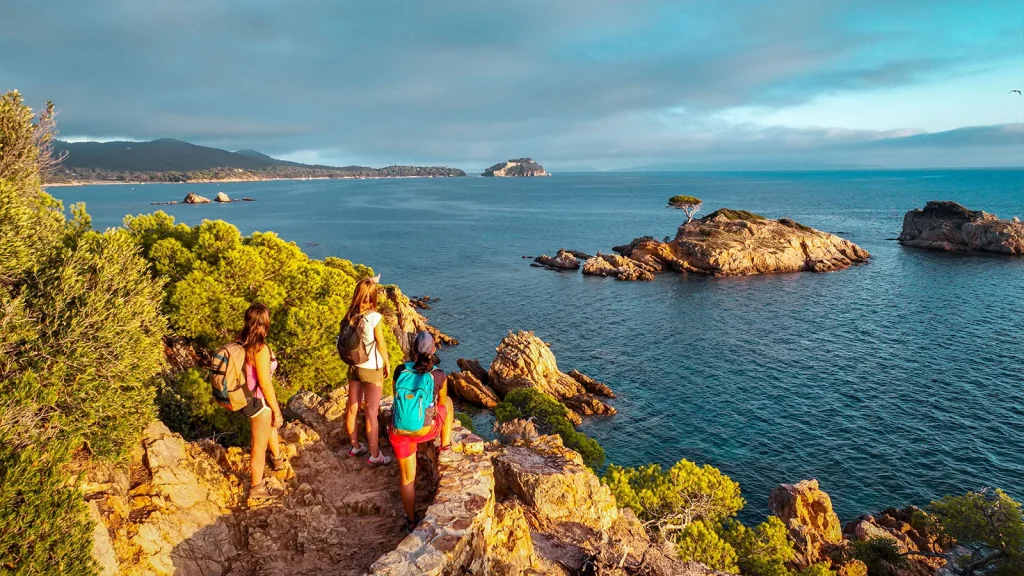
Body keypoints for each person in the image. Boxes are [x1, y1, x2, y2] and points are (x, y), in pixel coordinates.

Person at [389, 331, 454, 532]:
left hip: (400, 430)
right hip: (426, 430)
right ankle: (445, 445)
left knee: (407, 478)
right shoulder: (439, 375)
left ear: (413, 349)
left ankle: (411, 521)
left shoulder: (400, 371)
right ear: (433, 350)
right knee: (449, 404)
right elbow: (441, 404)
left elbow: (397, 400)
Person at [239, 302, 287, 501]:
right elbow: (265, 384)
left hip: (247, 397)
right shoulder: (260, 349)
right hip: (259, 400)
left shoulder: (241, 341)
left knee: (270, 428)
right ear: (264, 323)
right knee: (258, 446)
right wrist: (277, 409)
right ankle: (256, 487)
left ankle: (277, 460)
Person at [343, 276, 393, 465]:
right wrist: (387, 363)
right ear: (372, 297)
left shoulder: (351, 315)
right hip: (371, 368)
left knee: (353, 407)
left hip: (354, 365)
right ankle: (375, 455)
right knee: (372, 412)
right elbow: (380, 343)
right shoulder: (374, 317)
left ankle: (355, 446)